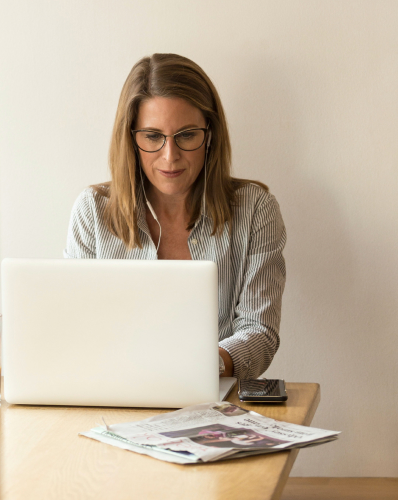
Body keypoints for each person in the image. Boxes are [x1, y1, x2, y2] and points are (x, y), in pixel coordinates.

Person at [64, 53, 286, 379]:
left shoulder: (255, 209)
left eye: (186, 135)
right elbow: (75, 331)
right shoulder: (92, 212)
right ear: (131, 139)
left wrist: (204, 366)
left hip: (216, 404)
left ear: (209, 134)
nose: (170, 157)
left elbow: (260, 331)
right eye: (153, 137)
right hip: (114, 398)